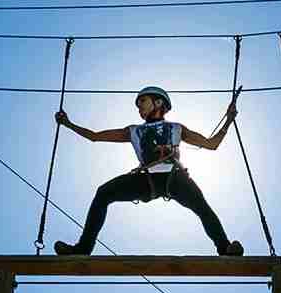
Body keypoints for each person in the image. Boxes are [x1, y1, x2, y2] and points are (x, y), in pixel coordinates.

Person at [51, 86, 246, 256]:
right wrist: (68, 124)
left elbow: (212, 144)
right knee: (103, 193)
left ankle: (225, 248)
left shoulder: (177, 128)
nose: (139, 107)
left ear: (159, 102)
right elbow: (94, 137)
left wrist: (229, 120)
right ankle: (83, 248)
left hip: (174, 177)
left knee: (203, 208)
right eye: (138, 104)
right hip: (146, 180)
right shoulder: (133, 131)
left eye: (142, 101)